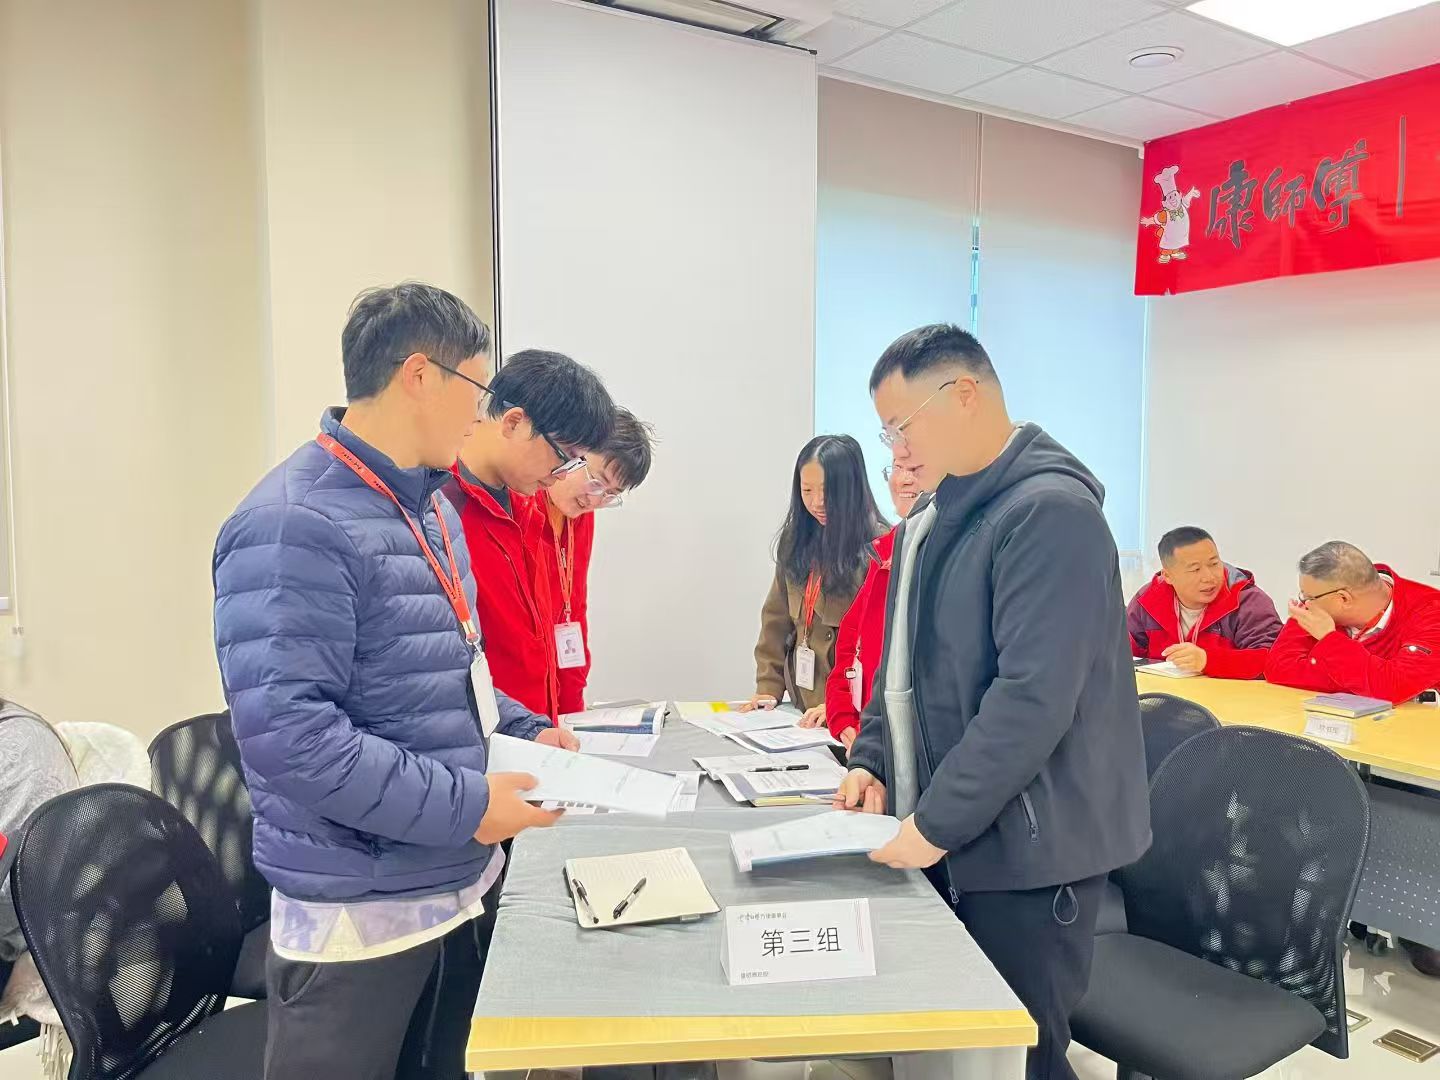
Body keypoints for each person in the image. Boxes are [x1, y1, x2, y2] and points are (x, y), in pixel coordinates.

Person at [213, 283, 571, 1080]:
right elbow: (294, 741)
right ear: (419, 376)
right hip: (360, 911)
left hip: (447, 880)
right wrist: (470, 805)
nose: (482, 414)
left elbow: (451, 670)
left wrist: (523, 728)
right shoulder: (292, 523)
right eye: (476, 388)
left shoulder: (426, 506)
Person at [836, 324, 1150, 1080]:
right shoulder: (938, 517)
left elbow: (1031, 700)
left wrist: (934, 824)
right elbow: (901, 663)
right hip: (961, 828)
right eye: (886, 434)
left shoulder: (1050, 514)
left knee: (1019, 1052)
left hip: (1029, 853)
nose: (897, 451)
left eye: (903, 427)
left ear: (965, 395)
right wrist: (874, 756)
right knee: (958, 1046)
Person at [446, 349, 616, 722]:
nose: (563, 474)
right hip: (483, 738)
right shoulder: (439, 505)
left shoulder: (529, 506)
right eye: (564, 457)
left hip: (535, 731)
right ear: (514, 423)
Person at [743, 435, 888, 714]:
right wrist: (768, 689)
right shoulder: (795, 540)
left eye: (827, 491)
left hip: (851, 715)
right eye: (807, 490)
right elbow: (775, 622)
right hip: (803, 713)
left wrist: (843, 708)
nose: (817, 502)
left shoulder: (880, 549)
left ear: (851, 488)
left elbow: (881, 650)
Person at [525, 407, 656, 713]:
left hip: (553, 701)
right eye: (597, 481)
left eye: (610, 494)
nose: (595, 500)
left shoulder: (580, 518)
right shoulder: (521, 503)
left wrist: (573, 713)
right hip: (516, 699)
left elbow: (575, 610)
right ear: (575, 451)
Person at [799, 463, 920, 747]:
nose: (904, 480)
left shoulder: (880, 544)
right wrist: (843, 717)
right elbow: (850, 644)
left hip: (899, 744)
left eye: (915, 467)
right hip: (861, 738)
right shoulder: (885, 551)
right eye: (897, 466)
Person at [1264, 541, 1440, 704]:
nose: (1305, 603)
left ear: (1343, 599)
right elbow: (1278, 668)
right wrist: (1366, 682)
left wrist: (1329, 638)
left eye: (1309, 597)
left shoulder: (1432, 613)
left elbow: (1394, 687)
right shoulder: (1324, 605)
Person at [1127, 526, 1282, 679]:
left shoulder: (1248, 601)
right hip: (1164, 693)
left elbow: (1273, 661)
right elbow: (1123, 653)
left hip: (1229, 694)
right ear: (1168, 576)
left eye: (1214, 564)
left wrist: (1208, 661)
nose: (1209, 577)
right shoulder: (1147, 600)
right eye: (1195, 569)